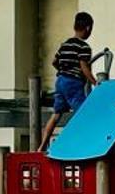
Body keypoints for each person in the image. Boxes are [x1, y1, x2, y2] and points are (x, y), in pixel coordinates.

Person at [37, 12, 98, 152]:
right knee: (83, 113)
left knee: (56, 114)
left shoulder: (65, 44)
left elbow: (54, 62)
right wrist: (95, 82)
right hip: (73, 83)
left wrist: (64, 70)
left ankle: (41, 146)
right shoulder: (84, 47)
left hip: (60, 81)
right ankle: (76, 142)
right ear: (88, 28)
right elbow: (84, 67)